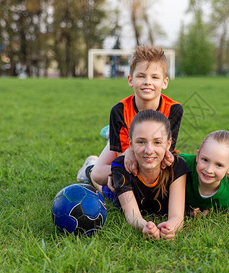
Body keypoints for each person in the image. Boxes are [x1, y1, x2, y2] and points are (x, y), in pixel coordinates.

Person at [77, 46, 183, 191]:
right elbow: (126, 158)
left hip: (151, 150)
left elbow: (167, 149)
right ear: (130, 80)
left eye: (154, 77)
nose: (147, 81)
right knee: (98, 174)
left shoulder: (174, 109)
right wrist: (115, 173)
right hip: (127, 146)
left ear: (165, 82)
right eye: (141, 76)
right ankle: (89, 168)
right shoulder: (119, 111)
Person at [110, 110, 190, 240]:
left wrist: (170, 228)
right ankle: (90, 167)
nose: (149, 150)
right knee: (97, 182)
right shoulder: (121, 167)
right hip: (112, 191)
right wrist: (145, 226)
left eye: (157, 142)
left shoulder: (177, 166)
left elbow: (177, 216)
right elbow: (132, 215)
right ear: (130, 144)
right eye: (141, 142)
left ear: (168, 143)